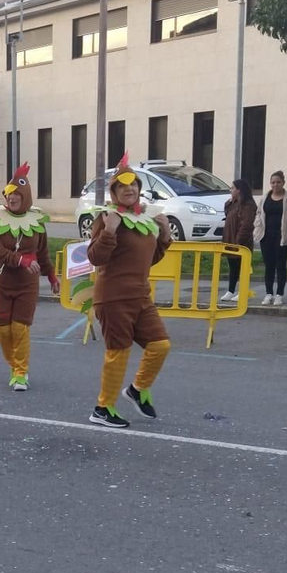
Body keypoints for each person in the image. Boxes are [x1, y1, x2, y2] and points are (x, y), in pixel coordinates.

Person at [86, 153, 172, 428]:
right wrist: (109, 232)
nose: (129, 190)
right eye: (122, 186)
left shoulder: (144, 219)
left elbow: (148, 259)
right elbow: (95, 257)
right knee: (118, 351)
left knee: (160, 345)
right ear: (113, 192)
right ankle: (103, 408)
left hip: (140, 296)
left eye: (133, 185)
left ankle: (136, 390)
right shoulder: (107, 217)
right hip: (113, 297)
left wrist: (165, 238)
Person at [0, 162, 59, 390]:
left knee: (20, 327)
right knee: (4, 329)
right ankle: (14, 365)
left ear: (25, 196)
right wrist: (20, 260)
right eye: (9, 194)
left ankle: (20, 372)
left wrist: (52, 276)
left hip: (27, 284)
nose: (13, 198)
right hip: (1, 281)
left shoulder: (37, 222)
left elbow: (43, 253)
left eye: (17, 194)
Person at [254, 170, 287, 305]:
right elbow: (258, 213)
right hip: (266, 236)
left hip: (282, 237)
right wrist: (257, 226)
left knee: (280, 266)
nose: (275, 185)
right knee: (269, 266)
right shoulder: (265, 197)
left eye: (278, 182)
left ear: (283, 183)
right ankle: (269, 293)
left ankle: (280, 294)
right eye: (273, 182)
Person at [220, 178, 257, 305]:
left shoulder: (248, 205)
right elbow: (227, 212)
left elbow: (246, 224)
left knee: (243, 267)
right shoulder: (234, 203)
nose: (231, 190)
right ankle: (231, 290)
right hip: (230, 238)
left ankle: (243, 291)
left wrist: (238, 241)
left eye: (233, 188)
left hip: (240, 241)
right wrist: (230, 202)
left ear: (239, 190)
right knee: (233, 266)